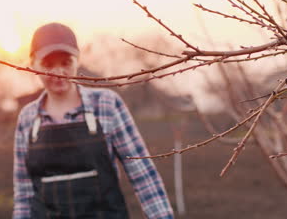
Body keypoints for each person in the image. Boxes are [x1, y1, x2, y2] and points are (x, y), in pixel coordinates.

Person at [13, 22, 174, 219]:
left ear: (77, 61)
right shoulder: (28, 118)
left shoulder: (106, 104)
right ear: (33, 65)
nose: (58, 72)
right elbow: (24, 192)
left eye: (66, 62)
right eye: (48, 64)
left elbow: (142, 174)